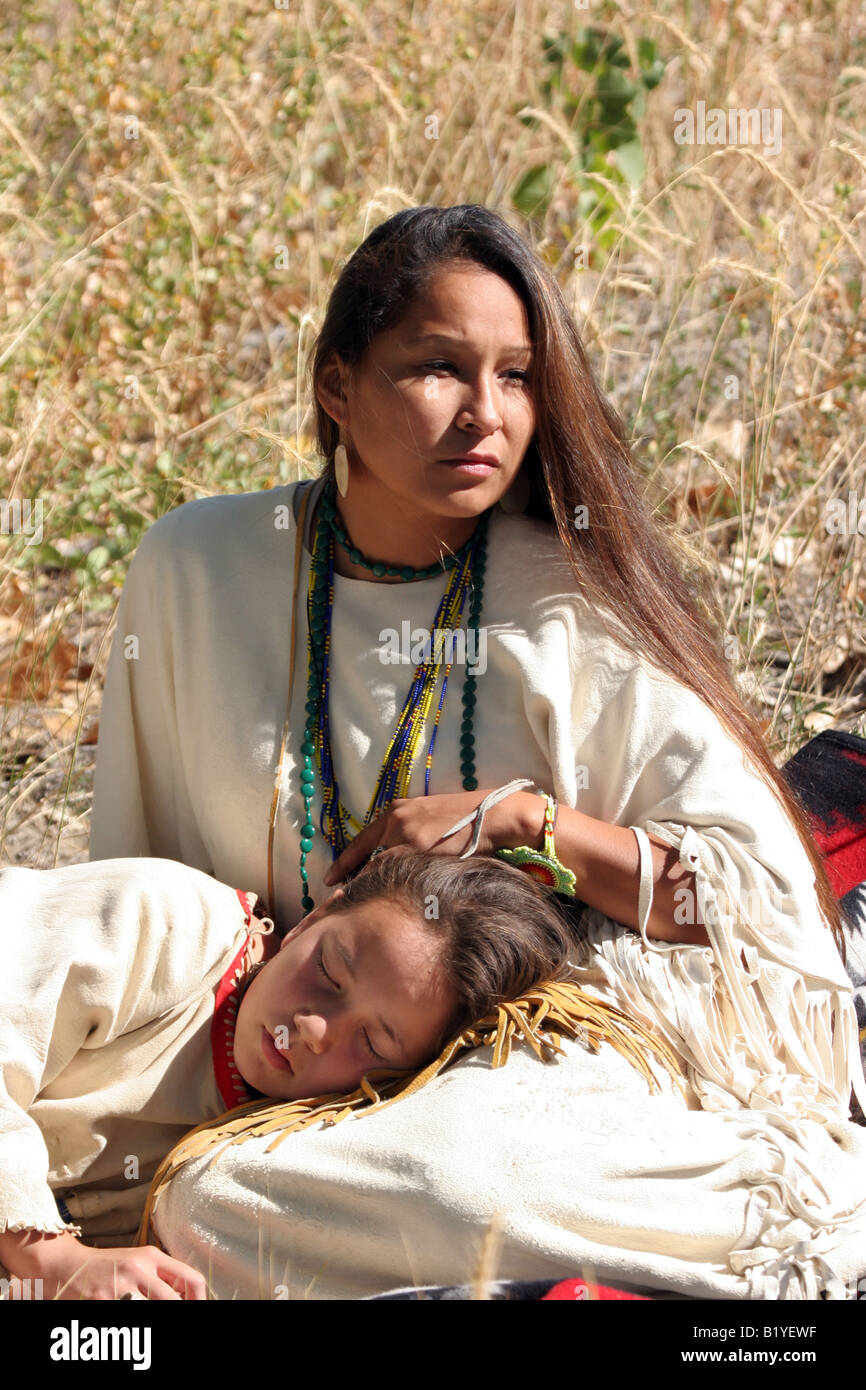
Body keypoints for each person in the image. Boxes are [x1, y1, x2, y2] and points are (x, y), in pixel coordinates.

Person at [89, 203, 866, 1132]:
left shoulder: (570, 601)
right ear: (337, 385)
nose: (486, 415)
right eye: (438, 368)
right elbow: (124, 897)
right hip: (239, 1073)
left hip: (502, 1091)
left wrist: (519, 823)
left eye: (516, 377)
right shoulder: (200, 567)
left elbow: (757, 904)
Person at [0, 847, 581, 1300]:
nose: (315, 1029)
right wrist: (50, 1258)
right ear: (312, 920)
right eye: (329, 972)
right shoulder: (169, 921)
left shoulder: (287, 1145)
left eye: (373, 1040)